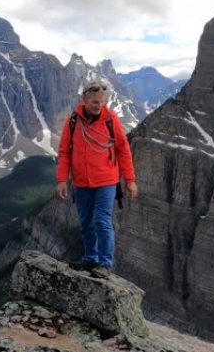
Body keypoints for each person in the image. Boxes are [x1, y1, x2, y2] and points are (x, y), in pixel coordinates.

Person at [56, 78, 138, 279]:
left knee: (102, 220)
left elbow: (123, 150)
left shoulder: (111, 120)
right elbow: (64, 152)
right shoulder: (73, 122)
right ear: (85, 100)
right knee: (85, 222)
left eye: (102, 102)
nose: (99, 106)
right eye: (95, 102)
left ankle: (104, 263)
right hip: (81, 182)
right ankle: (90, 258)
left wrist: (130, 180)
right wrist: (61, 180)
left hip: (106, 181)